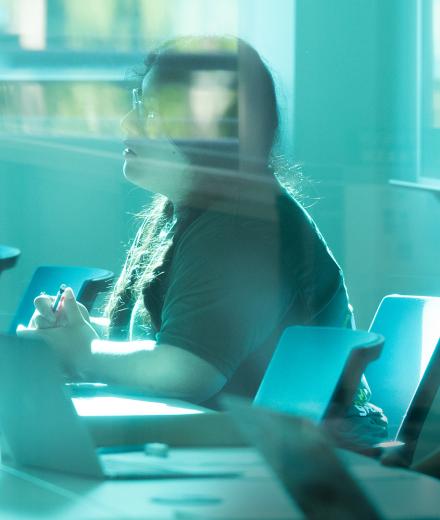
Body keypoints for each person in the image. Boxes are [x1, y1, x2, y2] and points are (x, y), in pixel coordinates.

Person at [23, 36, 386, 441]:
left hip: (313, 466)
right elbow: (164, 342)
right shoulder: (187, 212)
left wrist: (81, 353)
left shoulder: (242, 224)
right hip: (248, 447)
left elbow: (184, 372)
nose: (128, 123)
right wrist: (73, 334)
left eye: (149, 110)